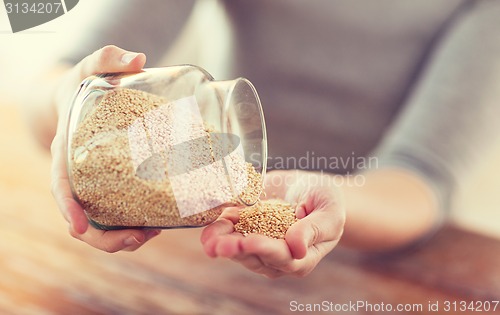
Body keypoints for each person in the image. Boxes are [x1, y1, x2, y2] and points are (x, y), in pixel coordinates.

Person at [26, 0, 500, 278]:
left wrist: (336, 201)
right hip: (204, 217)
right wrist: (68, 100)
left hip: (372, 245)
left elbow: (421, 176)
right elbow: (54, 83)